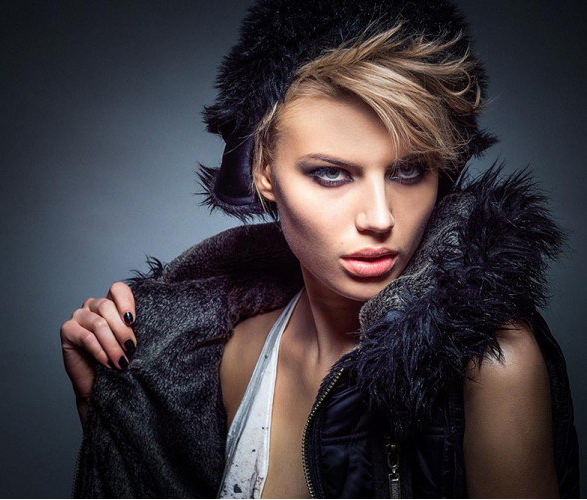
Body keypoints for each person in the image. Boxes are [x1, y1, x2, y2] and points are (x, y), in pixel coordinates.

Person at [61, 0, 579, 497]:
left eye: (408, 170)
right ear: (264, 172)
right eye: (331, 174)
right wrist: (117, 415)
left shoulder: (493, 364)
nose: (379, 218)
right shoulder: (220, 355)